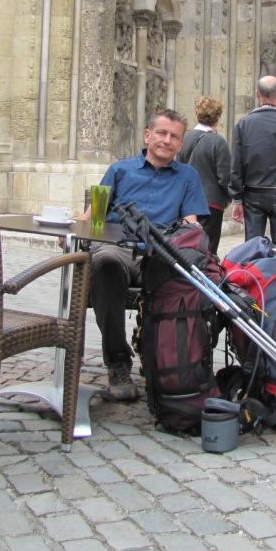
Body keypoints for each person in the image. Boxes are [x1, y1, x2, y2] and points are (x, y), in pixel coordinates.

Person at [76, 109, 208, 402]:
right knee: (105, 263)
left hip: (159, 254)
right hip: (117, 249)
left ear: (181, 144)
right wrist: (69, 229)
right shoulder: (119, 170)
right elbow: (92, 218)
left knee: (186, 278)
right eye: (161, 133)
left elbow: (191, 224)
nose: (167, 140)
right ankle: (118, 361)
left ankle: (165, 357)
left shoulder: (188, 177)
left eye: (175, 136)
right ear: (147, 135)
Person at [230, 76, 276, 250]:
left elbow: (236, 165)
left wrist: (237, 199)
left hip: (253, 191)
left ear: (257, 94)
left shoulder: (243, 124)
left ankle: (255, 268)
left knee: (253, 247)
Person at [178, 96, 231, 255]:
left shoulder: (184, 138)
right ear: (218, 117)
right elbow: (225, 177)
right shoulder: (217, 141)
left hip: (187, 201)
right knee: (209, 248)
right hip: (211, 204)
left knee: (189, 245)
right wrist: (231, 196)